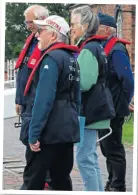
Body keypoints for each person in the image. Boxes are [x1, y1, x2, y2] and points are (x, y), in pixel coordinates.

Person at [21, 15, 80, 190]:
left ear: (53, 35)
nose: (37, 36)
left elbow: (43, 99)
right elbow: (77, 98)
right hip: (66, 129)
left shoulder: (51, 58)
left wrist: (34, 133)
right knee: (61, 179)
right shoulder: (72, 58)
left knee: (33, 180)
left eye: (41, 31)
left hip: (49, 132)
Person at [70, 6, 115, 191]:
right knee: (91, 158)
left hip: (88, 110)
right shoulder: (96, 46)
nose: (71, 28)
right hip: (96, 108)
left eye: (74, 24)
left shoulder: (88, 48)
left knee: (84, 158)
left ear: (85, 25)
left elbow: (84, 83)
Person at [14, 5, 51, 190]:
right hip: (27, 98)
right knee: (28, 139)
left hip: (36, 99)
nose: (27, 26)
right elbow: (23, 72)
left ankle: (37, 182)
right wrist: (18, 99)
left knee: (35, 140)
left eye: (29, 22)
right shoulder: (32, 41)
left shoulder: (47, 43)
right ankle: (37, 180)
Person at [97, 13, 134, 191]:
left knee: (114, 148)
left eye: (96, 26)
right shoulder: (103, 47)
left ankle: (118, 185)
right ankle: (112, 180)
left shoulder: (117, 49)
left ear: (106, 29)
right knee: (106, 147)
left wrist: (124, 102)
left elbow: (127, 79)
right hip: (106, 104)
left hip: (114, 105)